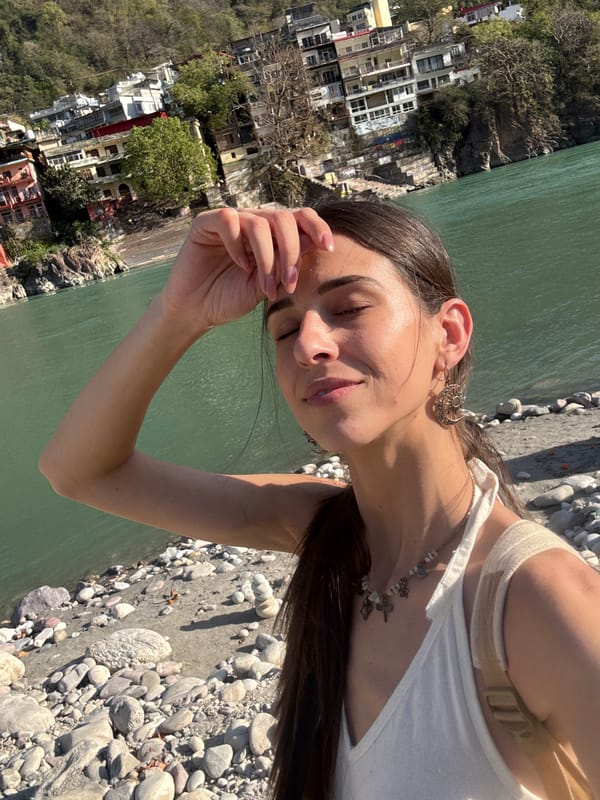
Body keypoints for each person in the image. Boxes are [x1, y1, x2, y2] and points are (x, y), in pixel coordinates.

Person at [39, 200, 600, 800]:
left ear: (450, 335)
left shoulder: (538, 601)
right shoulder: (320, 528)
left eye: (349, 308)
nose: (308, 345)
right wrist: (178, 313)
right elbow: (78, 471)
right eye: (284, 328)